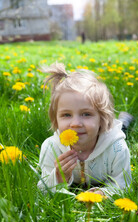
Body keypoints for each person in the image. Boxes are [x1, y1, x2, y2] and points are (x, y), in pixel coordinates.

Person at [37, 62, 132, 196]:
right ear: (56, 120)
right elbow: (43, 189)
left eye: (86, 114)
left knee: (120, 128)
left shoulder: (117, 148)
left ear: (101, 118)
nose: (75, 124)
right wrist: (58, 177)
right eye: (66, 115)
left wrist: (104, 193)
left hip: (107, 134)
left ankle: (124, 120)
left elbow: (123, 184)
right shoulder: (51, 148)